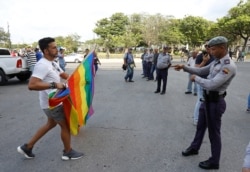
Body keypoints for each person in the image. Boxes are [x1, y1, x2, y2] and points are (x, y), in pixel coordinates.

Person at [174, 36, 237, 170]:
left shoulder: (228, 65)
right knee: (200, 126)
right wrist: (185, 67)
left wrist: (195, 78)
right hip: (206, 100)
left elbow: (212, 84)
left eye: (213, 49)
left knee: (214, 133)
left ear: (222, 48)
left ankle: (214, 161)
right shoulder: (216, 61)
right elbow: (203, 70)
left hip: (216, 102)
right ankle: (194, 147)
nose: (211, 51)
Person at [17, 37, 84, 160]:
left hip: (53, 102)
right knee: (66, 127)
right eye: (53, 47)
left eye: (56, 47)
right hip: (52, 104)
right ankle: (67, 152)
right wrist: (54, 85)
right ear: (46, 51)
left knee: (50, 124)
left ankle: (27, 146)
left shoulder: (53, 63)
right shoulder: (42, 65)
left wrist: (80, 77)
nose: (56, 49)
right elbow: (32, 85)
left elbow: (64, 75)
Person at [192, 43, 215, 126]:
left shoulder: (214, 56)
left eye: (211, 46)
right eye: (207, 46)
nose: (209, 48)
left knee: (209, 101)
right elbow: (196, 69)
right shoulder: (200, 56)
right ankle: (196, 119)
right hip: (201, 80)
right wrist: (204, 61)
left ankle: (205, 118)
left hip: (210, 81)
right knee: (201, 100)